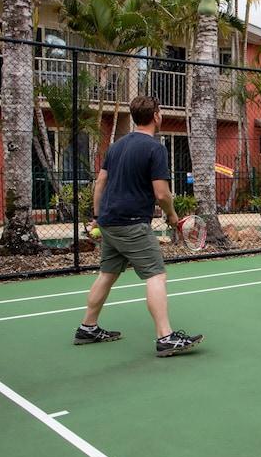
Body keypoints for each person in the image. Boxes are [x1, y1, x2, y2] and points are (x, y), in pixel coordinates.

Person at [75, 96, 204, 357]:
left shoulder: (116, 146)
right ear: (156, 115)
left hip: (110, 222)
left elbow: (100, 183)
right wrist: (171, 214)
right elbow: (162, 193)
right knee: (156, 275)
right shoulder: (155, 149)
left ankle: (87, 327)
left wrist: (99, 216)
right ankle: (165, 337)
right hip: (132, 223)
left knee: (107, 273)